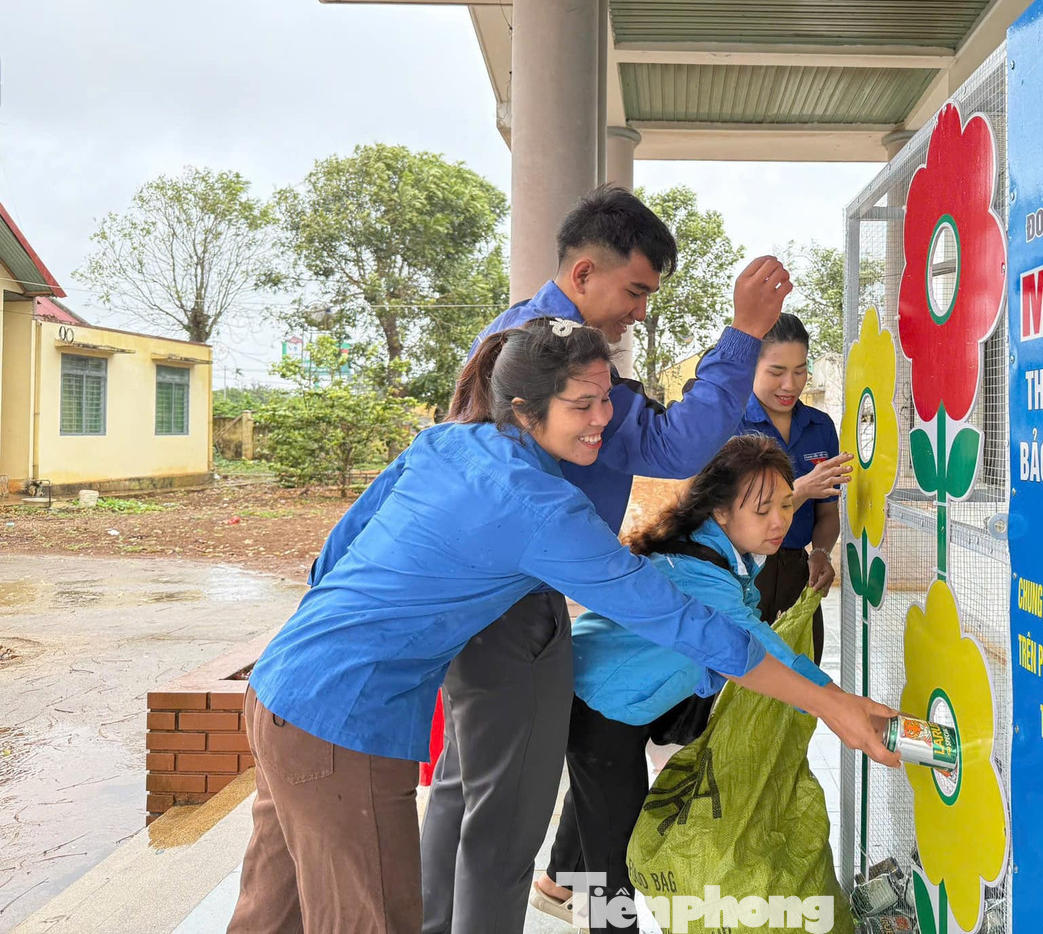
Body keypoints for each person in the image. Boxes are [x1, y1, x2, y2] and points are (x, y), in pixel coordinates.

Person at [227, 319, 898, 934]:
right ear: (524, 408)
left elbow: (332, 557)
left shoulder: (448, 441)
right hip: (346, 724)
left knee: (270, 916)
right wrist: (830, 702)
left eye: (607, 396)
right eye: (583, 404)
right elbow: (685, 621)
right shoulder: (541, 507)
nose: (604, 418)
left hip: (280, 689)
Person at [419, 185, 795, 933]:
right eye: (636, 290)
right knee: (502, 829)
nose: (641, 311)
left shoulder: (511, 339)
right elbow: (676, 445)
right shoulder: (558, 362)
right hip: (515, 610)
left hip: (478, 606)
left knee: (465, 793)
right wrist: (741, 337)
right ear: (584, 273)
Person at [531, 435, 833, 924]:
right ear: (719, 512)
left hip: (607, 693)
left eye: (785, 505)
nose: (780, 522)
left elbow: (760, 508)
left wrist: (789, 495)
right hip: (601, 707)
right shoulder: (700, 572)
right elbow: (766, 652)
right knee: (616, 850)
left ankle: (556, 884)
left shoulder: (713, 543)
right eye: (763, 511)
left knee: (594, 795)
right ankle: (601, 914)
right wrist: (842, 707)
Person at [739, 313, 852, 663]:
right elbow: (734, 512)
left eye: (800, 371)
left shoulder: (820, 427)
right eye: (776, 372)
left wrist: (820, 552)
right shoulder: (733, 424)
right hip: (741, 572)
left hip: (795, 572)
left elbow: (827, 511)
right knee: (738, 679)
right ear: (751, 367)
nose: (790, 384)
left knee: (800, 674)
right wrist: (799, 488)